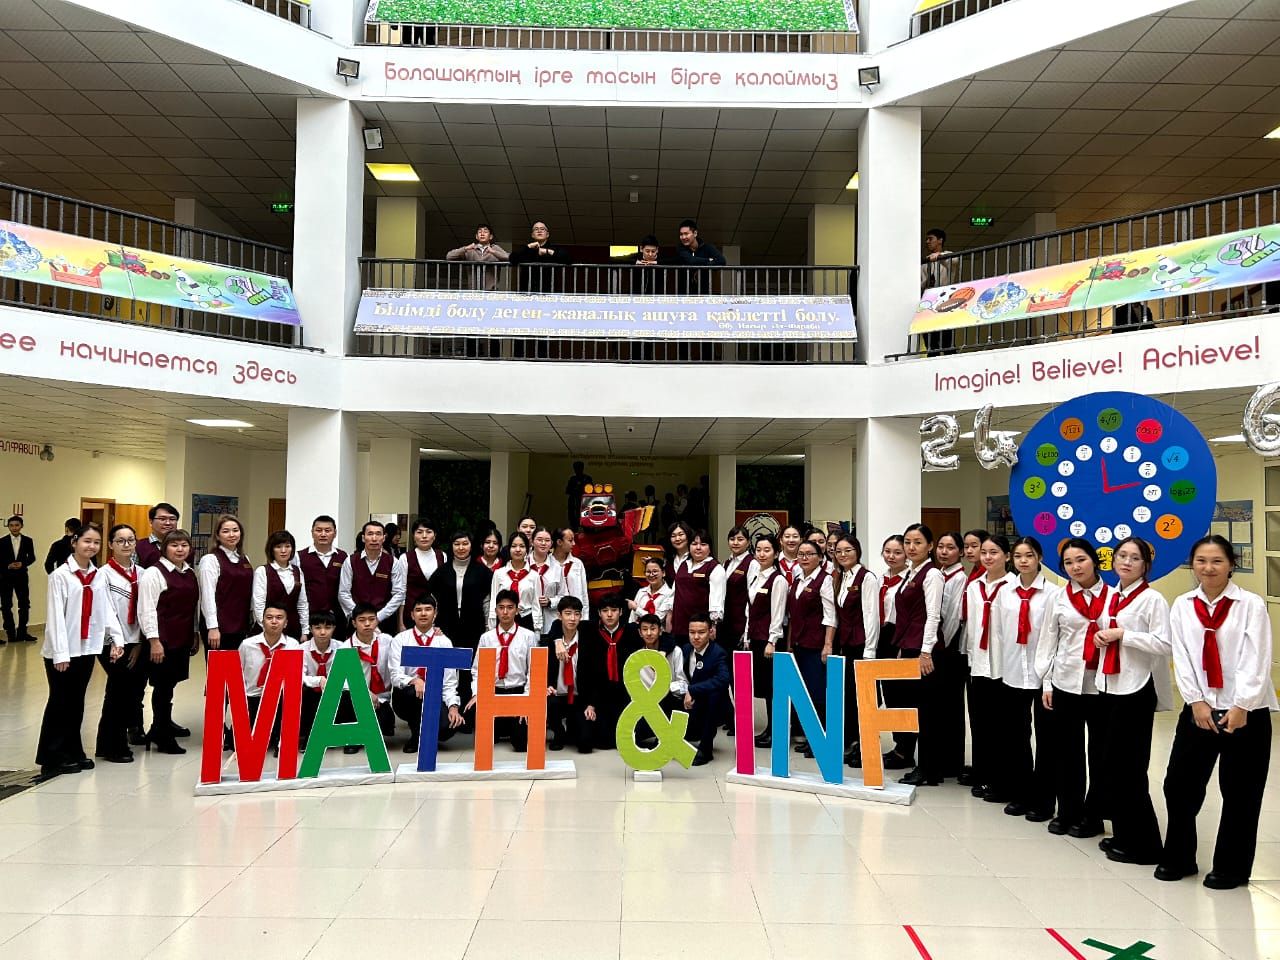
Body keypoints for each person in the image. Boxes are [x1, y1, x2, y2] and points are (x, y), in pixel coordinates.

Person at [1157, 535, 1277, 890]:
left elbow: (1257, 657)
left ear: (1231, 565)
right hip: (1200, 709)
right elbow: (1181, 655)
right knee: (1179, 785)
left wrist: (1242, 705)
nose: (1208, 568)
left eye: (1217, 561)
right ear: (1192, 565)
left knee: (1241, 792)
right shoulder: (1182, 605)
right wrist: (1195, 701)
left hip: (1245, 712)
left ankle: (1231, 868)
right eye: (1201, 561)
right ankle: (1179, 857)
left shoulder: (1250, 605)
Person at [1090, 536, 1171, 865]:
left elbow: (1165, 643)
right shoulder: (1113, 595)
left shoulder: (1152, 599)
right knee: (1111, 765)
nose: (1126, 562)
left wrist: (1125, 635)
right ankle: (1124, 835)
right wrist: (1102, 636)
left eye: (1134, 558)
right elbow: (1105, 629)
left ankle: (1146, 845)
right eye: (1121, 556)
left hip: (1136, 688)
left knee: (1131, 769)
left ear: (1145, 565)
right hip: (1109, 684)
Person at [1035, 538, 1109, 839]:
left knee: (1100, 754)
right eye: (1068, 562)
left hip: (1102, 685)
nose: (1075, 567)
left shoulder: (1113, 596)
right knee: (1067, 752)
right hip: (1066, 682)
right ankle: (1069, 811)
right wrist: (1047, 682)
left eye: (1081, 560)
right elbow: (1048, 641)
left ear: (1095, 560)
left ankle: (1094, 815)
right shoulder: (1059, 598)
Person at [37, 523, 124, 779]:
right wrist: (61, 654)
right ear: (74, 542)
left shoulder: (98, 576)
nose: (91, 546)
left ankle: (73, 750)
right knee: (60, 702)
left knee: (76, 702)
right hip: (63, 651)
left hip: (87, 648)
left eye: (96, 542)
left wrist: (116, 638)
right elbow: (55, 617)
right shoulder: (61, 575)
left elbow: (106, 609)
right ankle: (51, 757)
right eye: (87, 541)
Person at [994, 536, 1058, 822]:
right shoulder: (1005, 592)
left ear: (1040, 558)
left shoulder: (1053, 593)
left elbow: (1055, 637)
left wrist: (1049, 677)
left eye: (1029, 555)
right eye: (1018, 555)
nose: (1023, 561)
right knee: (1015, 737)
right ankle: (1020, 793)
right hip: (1012, 673)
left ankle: (1043, 801)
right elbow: (999, 633)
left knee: (1046, 741)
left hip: (1042, 676)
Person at [883, 524, 943, 781]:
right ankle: (910, 755)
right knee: (911, 705)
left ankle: (929, 769)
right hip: (907, 646)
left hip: (923, 650)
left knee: (926, 710)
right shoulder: (910, 572)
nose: (911, 547)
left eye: (918, 542)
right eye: (908, 542)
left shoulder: (932, 575)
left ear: (930, 546)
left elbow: (933, 615)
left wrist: (926, 652)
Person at [138, 529, 200, 754]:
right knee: (162, 686)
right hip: (162, 640)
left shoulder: (189, 572)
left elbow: (193, 607)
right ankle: (161, 734)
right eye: (174, 545)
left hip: (181, 638)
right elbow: (146, 610)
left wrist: (195, 633)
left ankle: (161, 725)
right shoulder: (154, 573)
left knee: (171, 684)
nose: (180, 549)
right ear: (165, 549)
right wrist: (154, 641)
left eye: (184, 545)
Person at [962, 534, 1015, 798]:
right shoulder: (975, 587)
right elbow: (972, 627)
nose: (987, 557)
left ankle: (1001, 778)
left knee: (1001, 727)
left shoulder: (1014, 586)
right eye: (984, 552)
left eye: (994, 552)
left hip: (1004, 667)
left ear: (1007, 556)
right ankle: (982, 774)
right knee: (980, 723)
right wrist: (972, 659)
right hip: (979, 664)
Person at [428, 530, 494, 718]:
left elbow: (488, 602)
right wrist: (433, 624)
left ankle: (468, 712)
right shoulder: (441, 572)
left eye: (465, 543)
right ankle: (448, 710)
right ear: (451, 546)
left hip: (473, 626)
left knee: (469, 668)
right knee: (449, 668)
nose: (461, 548)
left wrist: (488, 627)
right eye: (457, 544)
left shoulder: (482, 572)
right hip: (447, 626)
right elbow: (431, 601)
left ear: (472, 546)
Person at [96, 523, 147, 763]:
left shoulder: (143, 574)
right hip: (111, 643)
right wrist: (120, 642)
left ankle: (108, 743)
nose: (126, 545)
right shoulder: (103, 574)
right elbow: (105, 611)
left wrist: (138, 643)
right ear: (110, 544)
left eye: (130, 540)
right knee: (118, 691)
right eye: (120, 540)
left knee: (129, 693)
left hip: (136, 641)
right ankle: (113, 746)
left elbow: (146, 611)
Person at [466, 589, 539, 752]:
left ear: (517, 610)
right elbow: (477, 670)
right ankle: (500, 727)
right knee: (482, 737)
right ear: (496, 610)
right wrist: (477, 693)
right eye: (501, 607)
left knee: (521, 744)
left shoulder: (528, 636)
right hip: (494, 692)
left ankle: (512, 727)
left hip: (518, 692)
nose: (505, 612)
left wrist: (527, 700)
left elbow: (533, 671)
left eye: (510, 607)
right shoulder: (487, 638)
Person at [390, 594, 464, 754]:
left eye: (428, 609)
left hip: (434, 696)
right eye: (418, 610)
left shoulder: (444, 642)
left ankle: (429, 733)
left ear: (435, 614)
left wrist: (453, 706)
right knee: (414, 693)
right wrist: (415, 681)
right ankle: (417, 737)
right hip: (407, 696)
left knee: (448, 727)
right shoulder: (400, 639)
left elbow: (449, 681)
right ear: (412, 615)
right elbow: (395, 675)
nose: (423, 613)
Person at [786, 541, 836, 758]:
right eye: (801, 554)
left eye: (810, 554)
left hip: (816, 645)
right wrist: (790, 644)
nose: (804, 558)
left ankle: (822, 740)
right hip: (799, 645)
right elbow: (792, 616)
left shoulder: (825, 580)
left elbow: (830, 615)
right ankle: (811, 737)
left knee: (818, 693)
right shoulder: (798, 580)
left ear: (820, 557)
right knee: (805, 693)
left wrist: (827, 644)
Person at [832, 535, 879, 767]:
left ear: (857, 551)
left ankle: (866, 745)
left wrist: (870, 651)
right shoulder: (840, 577)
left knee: (864, 699)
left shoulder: (866, 577)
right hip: (846, 645)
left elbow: (871, 616)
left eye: (848, 550)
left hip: (862, 646)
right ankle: (854, 742)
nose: (843, 555)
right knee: (850, 697)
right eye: (838, 551)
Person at [743, 534, 788, 749]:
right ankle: (770, 729)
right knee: (764, 687)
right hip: (755, 638)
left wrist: (772, 640)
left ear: (776, 553)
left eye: (767, 550)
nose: (762, 554)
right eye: (759, 550)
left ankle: (776, 731)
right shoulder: (756, 576)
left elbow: (778, 613)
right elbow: (749, 610)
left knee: (773, 688)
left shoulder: (778, 580)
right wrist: (746, 636)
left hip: (768, 641)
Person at [577, 594, 638, 751]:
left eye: (614, 610)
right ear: (599, 613)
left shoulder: (631, 631)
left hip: (623, 694)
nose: (609, 615)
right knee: (587, 742)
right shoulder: (589, 631)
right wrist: (589, 703)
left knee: (621, 740)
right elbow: (559, 624)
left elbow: (661, 634)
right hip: (598, 695)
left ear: (621, 612)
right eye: (605, 611)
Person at [236, 604, 300, 752]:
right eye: (269, 617)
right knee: (241, 745)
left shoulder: (293, 645)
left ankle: (279, 737)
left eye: (279, 618)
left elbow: (295, 676)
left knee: (279, 738)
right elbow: (238, 672)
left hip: (280, 699)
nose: (274, 621)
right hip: (253, 697)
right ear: (262, 621)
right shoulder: (247, 644)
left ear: (286, 623)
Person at [934, 531, 969, 780]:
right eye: (941, 546)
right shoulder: (939, 574)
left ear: (961, 552)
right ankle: (942, 756)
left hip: (949, 648)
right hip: (939, 646)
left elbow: (953, 617)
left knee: (951, 706)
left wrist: (940, 645)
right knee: (941, 706)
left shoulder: (959, 578)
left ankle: (952, 761)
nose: (944, 552)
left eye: (950, 547)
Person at [956, 528, 989, 786]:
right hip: (970, 651)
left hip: (986, 655)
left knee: (985, 716)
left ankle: (986, 768)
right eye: (966, 546)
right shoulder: (974, 575)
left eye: (974, 546)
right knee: (976, 714)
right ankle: (979, 765)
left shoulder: (988, 577)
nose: (969, 551)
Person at [198, 514, 254, 658]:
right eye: (225, 531)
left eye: (235, 530)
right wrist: (213, 627)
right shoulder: (210, 560)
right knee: (219, 670)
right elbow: (207, 597)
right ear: (217, 535)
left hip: (241, 625)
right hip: (219, 627)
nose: (231, 535)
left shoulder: (244, 559)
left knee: (237, 669)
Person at [679, 614, 731, 765]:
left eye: (701, 632)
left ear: (710, 631)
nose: (696, 637)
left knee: (715, 693)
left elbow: (723, 679)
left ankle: (706, 749)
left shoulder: (718, 653)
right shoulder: (685, 649)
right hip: (690, 702)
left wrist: (693, 690)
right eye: (692, 632)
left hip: (711, 705)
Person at [339, 521, 406, 636]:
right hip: (357, 622)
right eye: (370, 534)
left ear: (384, 538)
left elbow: (399, 593)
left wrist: (378, 617)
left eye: (378, 534)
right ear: (363, 538)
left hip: (385, 621)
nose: (374, 538)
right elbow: (343, 593)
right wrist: (361, 616)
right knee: (354, 648)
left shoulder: (393, 562)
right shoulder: (350, 561)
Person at [631, 611, 685, 749]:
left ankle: (665, 737)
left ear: (660, 631)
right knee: (635, 738)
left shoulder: (676, 652)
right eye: (645, 629)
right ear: (640, 633)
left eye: (653, 629)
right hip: (648, 706)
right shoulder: (637, 656)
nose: (649, 633)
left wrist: (664, 688)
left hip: (671, 701)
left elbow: (683, 684)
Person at [300, 609, 351, 748]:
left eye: (327, 627)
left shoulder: (342, 647)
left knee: (348, 695)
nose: (323, 632)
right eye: (317, 628)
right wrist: (318, 680)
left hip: (335, 692)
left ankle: (346, 736)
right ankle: (310, 736)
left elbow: (349, 676)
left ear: (334, 628)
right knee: (305, 694)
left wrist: (334, 684)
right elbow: (299, 676)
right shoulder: (302, 649)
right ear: (311, 629)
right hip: (312, 692)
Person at [544, 595, 589, 751]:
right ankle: (558, 732)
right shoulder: (551, 641)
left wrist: (591, 704)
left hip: (578, 696)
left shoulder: (587, 637)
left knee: (585, 745)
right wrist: (546, 686)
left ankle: (573, 727)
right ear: (559, 615)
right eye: (568, 613)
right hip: (557, 695)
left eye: (577, 614)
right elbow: (555, 625)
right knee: (550, 703)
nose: (572, 618)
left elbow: (594, 674)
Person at [668, 528, 725, 647]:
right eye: (694, 544)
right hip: (679, 624)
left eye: (703, 544)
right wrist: (669, 617)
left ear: (710, 548)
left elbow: (717, 598)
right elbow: (674, 592)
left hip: (700, 629)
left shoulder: (714, 567)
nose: (698, 547)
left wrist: (713, 625)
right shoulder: (684, 564)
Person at [349, 602, 395, 740]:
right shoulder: (346, 648)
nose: (367, 624)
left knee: (384, 724)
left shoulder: (387, 640)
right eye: (362, 620)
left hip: (381, 698)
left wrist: (435, 633)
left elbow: (408, 645)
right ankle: (354, 737)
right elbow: (342, 681)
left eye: (371, 619)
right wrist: (364, 692)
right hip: (356, 697)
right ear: (354, 623)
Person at [252, 530, 309, 641]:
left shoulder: (298, 571)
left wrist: (305, 630)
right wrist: (266, 629)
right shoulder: (263, 571)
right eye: (278, 547)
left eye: (287, 546)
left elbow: (302, 604)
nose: (283, 551)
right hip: (268, 630)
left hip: (293, 628)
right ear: (271, 549)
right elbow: (259, 605)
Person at [298, 515, 347, 637]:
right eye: (319, 530)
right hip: (310, 617)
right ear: (312, 532)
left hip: (336, 618)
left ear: (335, 533)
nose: (323, 534)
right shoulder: (300, 557)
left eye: (327, 530)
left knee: (338, 648)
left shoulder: (342, 557)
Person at [396, 519, 447, 629]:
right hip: (412, 614)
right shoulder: (405, 558)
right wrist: (400, 622)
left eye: (428, 532)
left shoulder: (442, 556)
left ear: (434, 535)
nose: (424, 536)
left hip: (436, 614)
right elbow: (401, 591)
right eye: (419, 532)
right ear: (414, 536)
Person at [490, 531, 541, 632]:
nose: (518, 550)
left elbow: (536, 604)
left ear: (527, 549)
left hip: (526, 619)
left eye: (522, 546)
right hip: (503, 619)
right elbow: (493, 601)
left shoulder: (534, 575)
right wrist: (492, 625)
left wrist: (537, 628)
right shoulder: (499, 573)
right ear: (509, 549)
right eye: (514, 546)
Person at [720, 526, 754, 660]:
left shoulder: (752, 563)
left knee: (741, 664)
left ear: (748, 542)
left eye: (740, 539)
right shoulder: (726, 563)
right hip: (726, 624)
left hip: (741, 623)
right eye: (732, 539)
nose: (735, 542)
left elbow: (752, 598)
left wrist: (747, 630)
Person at [1, 515, 37, 643]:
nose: (14, 528)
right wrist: (7, 566)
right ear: (8, 527)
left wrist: (23, 563)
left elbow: (32, 557)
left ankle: (22, 633)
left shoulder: (28, 540)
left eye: (17, 525)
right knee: (6, 605)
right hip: (5, 577)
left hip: (21, 577)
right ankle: (10, 634)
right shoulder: (2, 541)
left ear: (21, 526)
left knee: (24, 604)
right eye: (11, 525)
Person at [510, 220, 571, 293]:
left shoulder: (554, 249)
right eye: (536, 229)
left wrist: (547, 251)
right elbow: (512, 258)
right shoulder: (527, 250)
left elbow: (568, 259)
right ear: (532, 235)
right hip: (527, 292)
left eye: (542, 229)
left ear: (547, 234)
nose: (539, 231)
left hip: (548, 291)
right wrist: (528, 247)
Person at [921, 228, 955, 355]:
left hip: (945, 299)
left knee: (946, 336)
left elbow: (954, 262)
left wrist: (939, 256)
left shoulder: (949, 256)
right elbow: (921, 283)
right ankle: (932, 356)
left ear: (940, 240)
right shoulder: (925, 262)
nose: (927, 242)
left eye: (931, 239)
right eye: (927, 239)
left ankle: (949, 357)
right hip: (929, 300)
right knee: (930, 337)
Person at [445, 223, 508, 290]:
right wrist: (465, 248)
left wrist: (493, 252)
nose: (482, 234)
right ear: (476, 236)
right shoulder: (470, 249)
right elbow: (449, 256)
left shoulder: (495, 248)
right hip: (473, 291)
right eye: (480, 232)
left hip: (491, 291)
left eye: (485, 232)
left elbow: (508, 257)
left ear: (491, 236)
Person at [550, 528, 589, 628]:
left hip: (576, 618)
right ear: (559, 542)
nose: (574, 544)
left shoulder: (577, 563)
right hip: (553, 617)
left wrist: (584, 619)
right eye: (570, 540)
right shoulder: (548, 563)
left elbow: (584, 594)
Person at [528, 526, 563, 637]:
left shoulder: (558, 567)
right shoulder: (523, 564)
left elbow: (564, 596)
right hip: (527, 620)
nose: (543, 543)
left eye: (547, 540)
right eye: (539, 540)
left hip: (550, 622)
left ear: (551, 543)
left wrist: (550, 601)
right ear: (532, 542)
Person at [675, 219, 726, 295]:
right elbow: (691, 260)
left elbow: (722, 261)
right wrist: (708, 260)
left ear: (695, 233)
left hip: (703, 293)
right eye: (681, 234)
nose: (683, 237)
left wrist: (702, 269)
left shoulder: (708, 248)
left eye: (686, 234)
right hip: (684, 294)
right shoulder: (681, 248)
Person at [629, 557, 672, 625]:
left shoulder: (670, 594)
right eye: (648, 572)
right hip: (637, 630)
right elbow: (632, 618)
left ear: (663, 573)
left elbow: (658, 619)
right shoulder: (641, 592)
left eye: (655, 571)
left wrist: (636, 609)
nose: (651, 575)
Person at [135, 503, 179, 569]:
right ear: (151, 522)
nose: (168, 523)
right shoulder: (138, 546)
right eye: (162, 519)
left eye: (172, 519)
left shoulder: (184, 547)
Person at [565, 461, 593, 527]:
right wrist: (576, 491)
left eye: (579, 468)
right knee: (573, 521)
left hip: (585, 503)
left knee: (586, 521)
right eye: (576, 468)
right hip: (574, 502)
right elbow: (568, 491)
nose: (577, 470)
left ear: (582, 468)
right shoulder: (572, 479)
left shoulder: (587, 478)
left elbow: (591, 490)